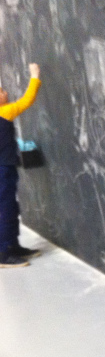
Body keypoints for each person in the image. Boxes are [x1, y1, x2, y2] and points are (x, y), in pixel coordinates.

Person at [0, 63, 42, 268]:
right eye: (1, 91)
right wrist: (35, 76)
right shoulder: (5, 112)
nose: (6, 92)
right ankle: (3, 253)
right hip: (3, 170)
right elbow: (27, 100)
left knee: (10, 208)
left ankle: (12, 246)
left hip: (6, 168)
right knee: (6, 210)